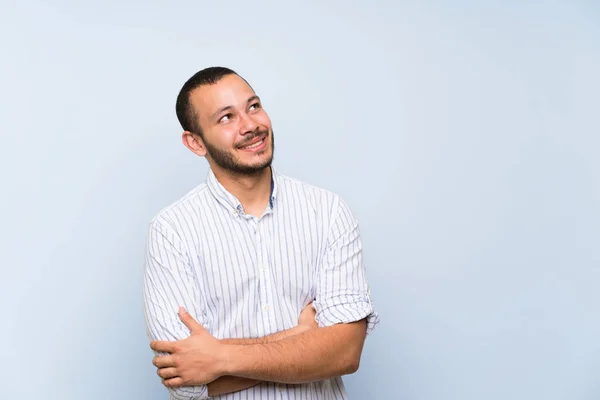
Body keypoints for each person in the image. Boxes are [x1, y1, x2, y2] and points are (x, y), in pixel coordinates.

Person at [142, 66, 379, 400]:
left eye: (253, 106)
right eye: (226, 118)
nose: (250, 125)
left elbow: (344, 353)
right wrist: (303, 336)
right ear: (195, 142)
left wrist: (219, 358)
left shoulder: (328, 211)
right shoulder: (172, 231)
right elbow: (188, 380)